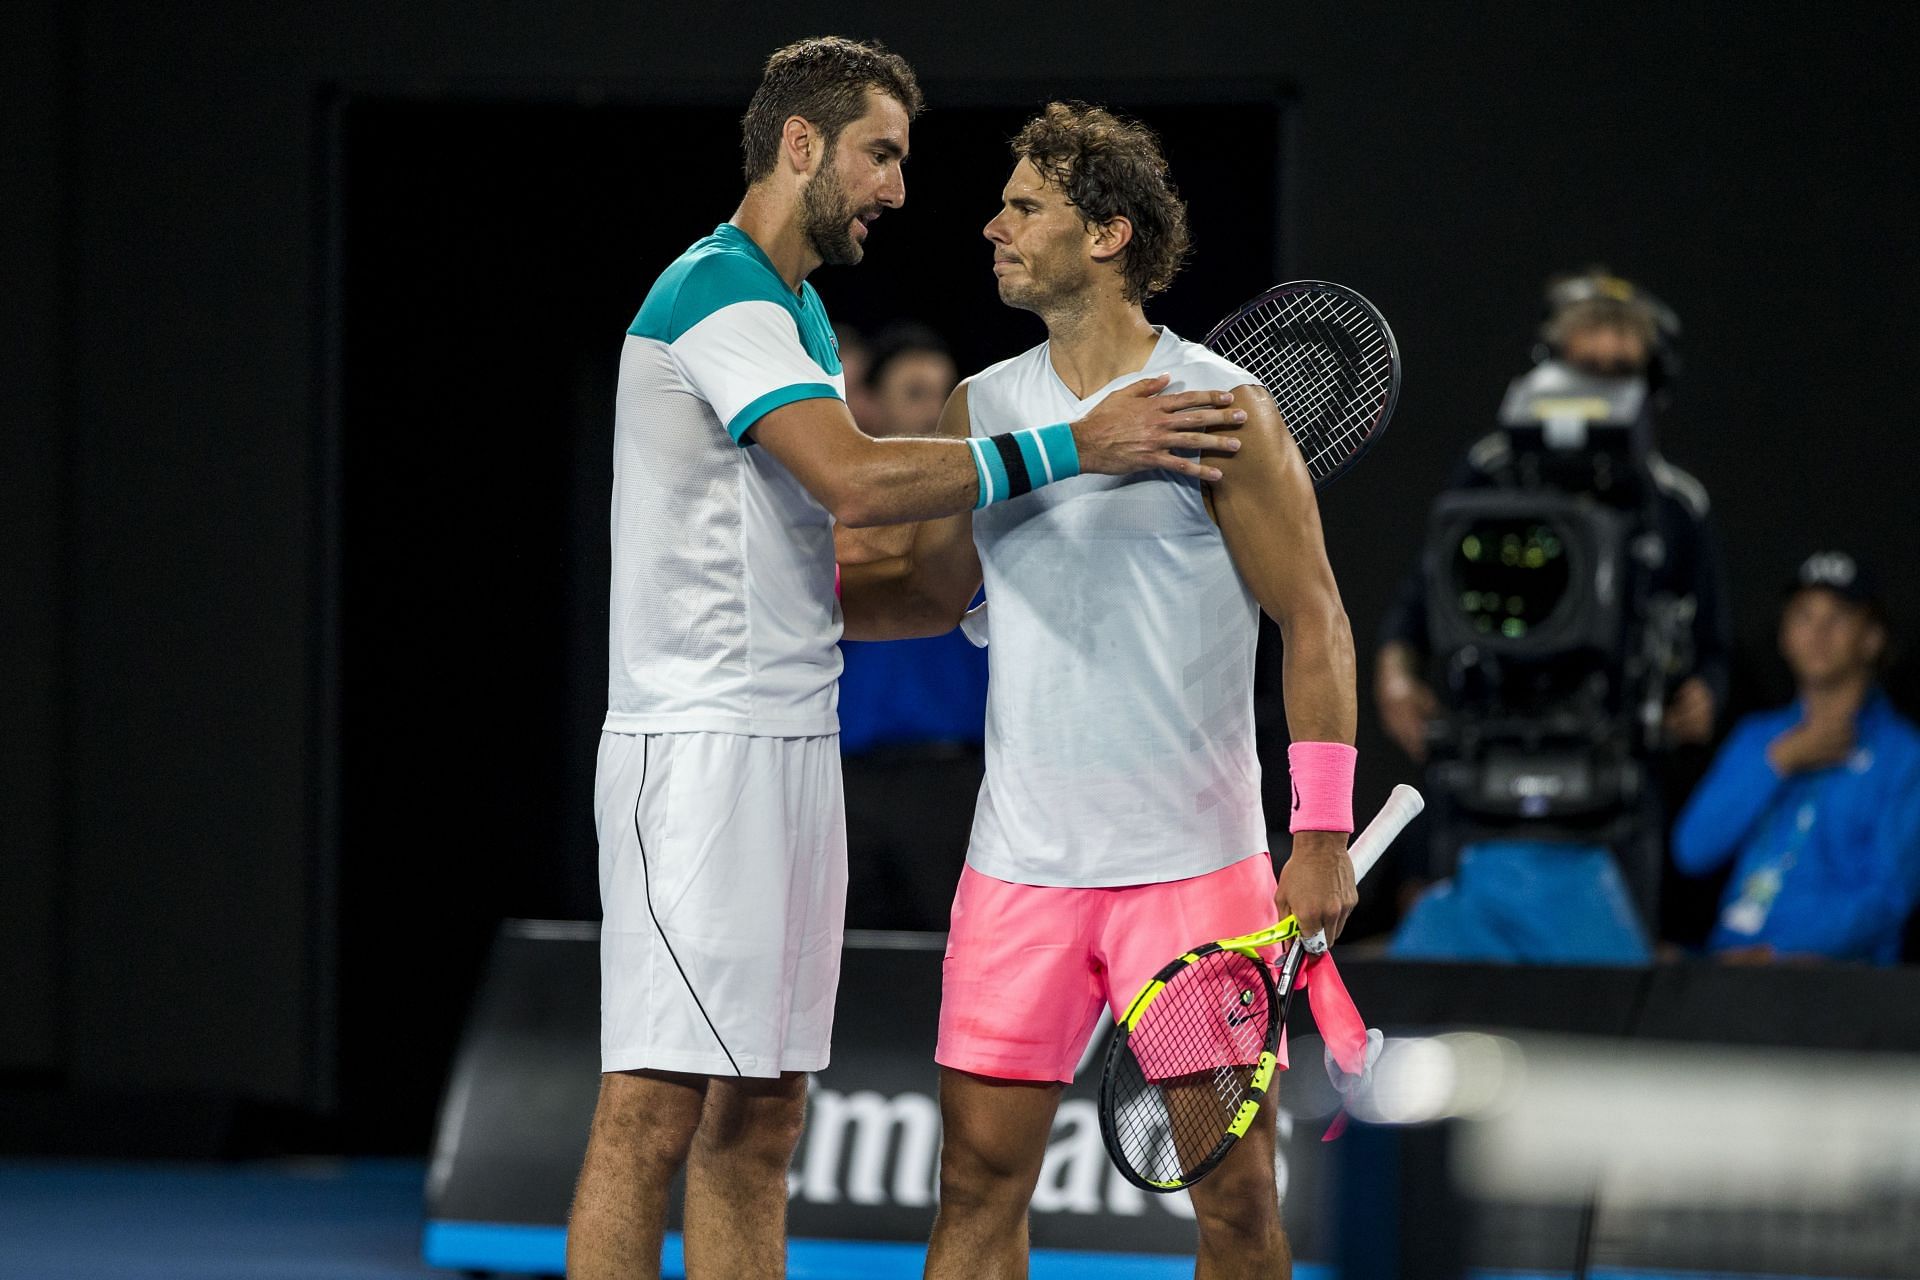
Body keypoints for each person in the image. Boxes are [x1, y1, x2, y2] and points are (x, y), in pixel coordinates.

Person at [567, 40, 1251, 1280]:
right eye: (880, 155)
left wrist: (1001, 578)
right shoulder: (717, 293)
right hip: (700, 752)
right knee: (653, 1110)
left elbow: (855, 575)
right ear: (799, 145)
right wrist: (1073, 449)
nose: (897, 189)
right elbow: (855, 479)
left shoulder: (802, 315)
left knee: (763, 1118)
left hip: (792, 740)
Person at [840, 101, 1360, 1280]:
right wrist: (771, 609)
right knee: (972, 1188)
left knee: (1236, 1205)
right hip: (1019, 872)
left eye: (1025, 205)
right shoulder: (982, 405)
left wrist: (1320, 831)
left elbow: (1313, 614)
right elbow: (928, 593)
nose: (991, 225)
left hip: (1194, 875)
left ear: (1110, 233)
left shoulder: (1222, 405)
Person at [1379, 270, 1731, 963]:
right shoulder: (1487, 473)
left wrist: (1705, 695)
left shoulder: (1675, 506)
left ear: (1651, 379)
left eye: (1618, 367)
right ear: (1550, 364)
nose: (1599, 380)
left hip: (1617, 788)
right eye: (1584, 363)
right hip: (1480, 767)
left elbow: (1713, 647)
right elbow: (1420, 603)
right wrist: (1395, 673)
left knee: (1607, 1013)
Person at [1673, 553, 1920, 964]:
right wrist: (1780, 760)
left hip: (1834, 980)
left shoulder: (1905, 754)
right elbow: (1692, 850)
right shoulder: (1760, 738)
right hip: (1730, 963)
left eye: (1837, 617)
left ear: (1871, 638)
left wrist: (1779, 954)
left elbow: (1890, 895)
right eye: (1804, 616)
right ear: (1784, 636)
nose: (1818, 633)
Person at [834, 323, 990, 930]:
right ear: (868, 403)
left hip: (953, 786)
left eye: (947, 395)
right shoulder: (822, 511)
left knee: (946, 967)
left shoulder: (984, 503)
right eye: (917, 392)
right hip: (844, 780)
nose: (935, 410)